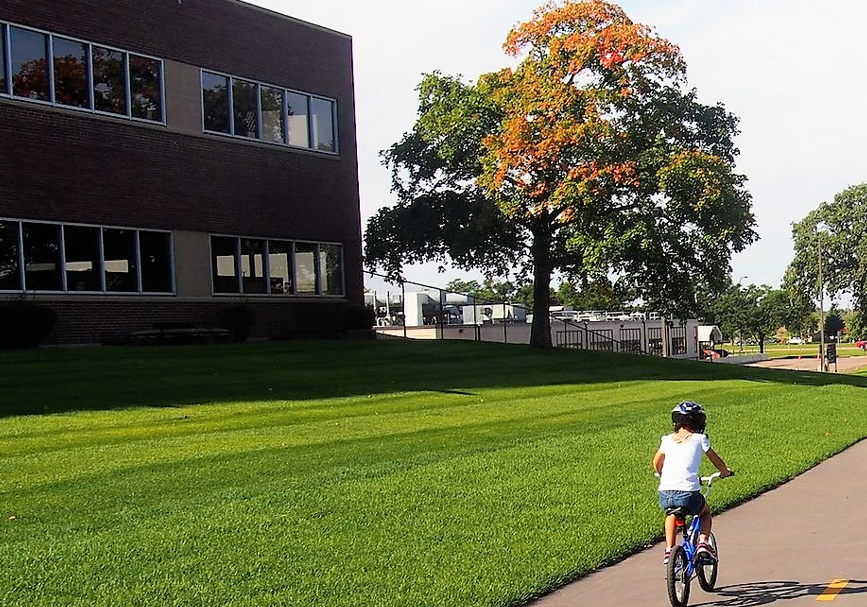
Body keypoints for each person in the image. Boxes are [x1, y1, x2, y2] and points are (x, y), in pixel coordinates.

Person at [652, 401, 732, 565]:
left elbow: (656, 462)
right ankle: (703, 543)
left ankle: (669, 549)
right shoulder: (699, 439)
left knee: (671, 514)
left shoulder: (667, 440)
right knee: (705, 513)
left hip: (665, 492)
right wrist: (724, 471)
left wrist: (662, 474)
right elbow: (715, 459)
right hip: (688, 493)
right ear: (699, 422)